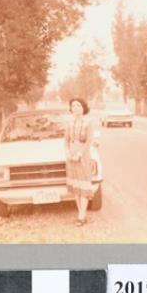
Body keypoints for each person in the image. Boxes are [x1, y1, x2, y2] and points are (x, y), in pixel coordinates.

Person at [64, 97, 94, 226]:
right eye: (73, 106)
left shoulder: (88, 122)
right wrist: (67, 152)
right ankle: (81, 214)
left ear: (83, 108)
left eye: (78, 105)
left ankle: (81, 217)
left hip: (83, 156)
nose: (76, 108)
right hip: (71, 156)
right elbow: (66, 140)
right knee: (76, 186)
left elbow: (89, 141)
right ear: (71, 109)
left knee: (84, 185)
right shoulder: (69, 123)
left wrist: (80, 154)